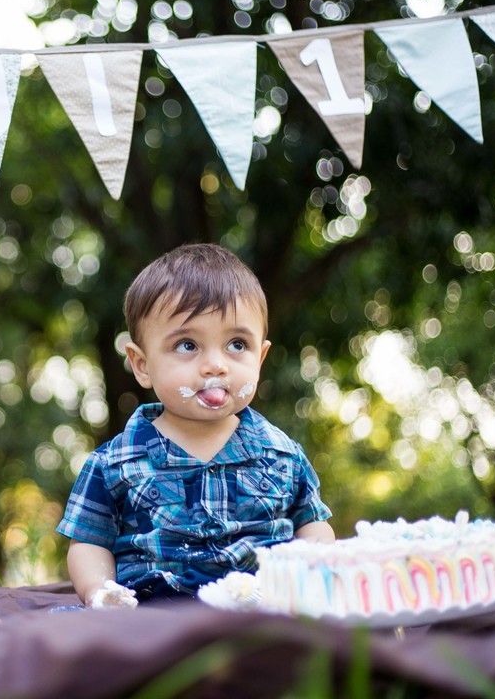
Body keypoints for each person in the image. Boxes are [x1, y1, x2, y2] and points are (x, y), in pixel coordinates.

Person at [58, 243, 335, 608]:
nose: (215, 365)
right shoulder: (114, 464)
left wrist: (313, 557)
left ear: (260, 357)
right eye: (188, 345)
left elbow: (312, 524)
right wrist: (99, 589)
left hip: (263, 609)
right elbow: (89, 544)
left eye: (237, 344)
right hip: (157, 615)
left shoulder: (282, 455)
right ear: (141, 365)